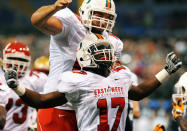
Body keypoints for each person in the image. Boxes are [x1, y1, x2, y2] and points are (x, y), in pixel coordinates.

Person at [4, 33, 182, 131]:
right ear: (84, 55)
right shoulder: (77, 81)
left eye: (106, 50)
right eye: (99, 51)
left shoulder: (119, 76)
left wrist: (166, 71)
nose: (105, 55)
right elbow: (42, 102)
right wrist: (17, 87)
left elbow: (139, 92)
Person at [31, 0, 123, 130]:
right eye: (99, 15)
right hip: (59, 107)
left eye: (109, 17)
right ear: (86, 11)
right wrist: (54, 7)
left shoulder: (114, 42)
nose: (104, 21)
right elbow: (36, 21)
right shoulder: (71, 24)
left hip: (89, 111)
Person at [0, 42, 48, 131]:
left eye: (22, 60)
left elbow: (48, 103)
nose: (16, 64)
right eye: (12, 58)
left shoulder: (36, 78)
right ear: (4, 58)